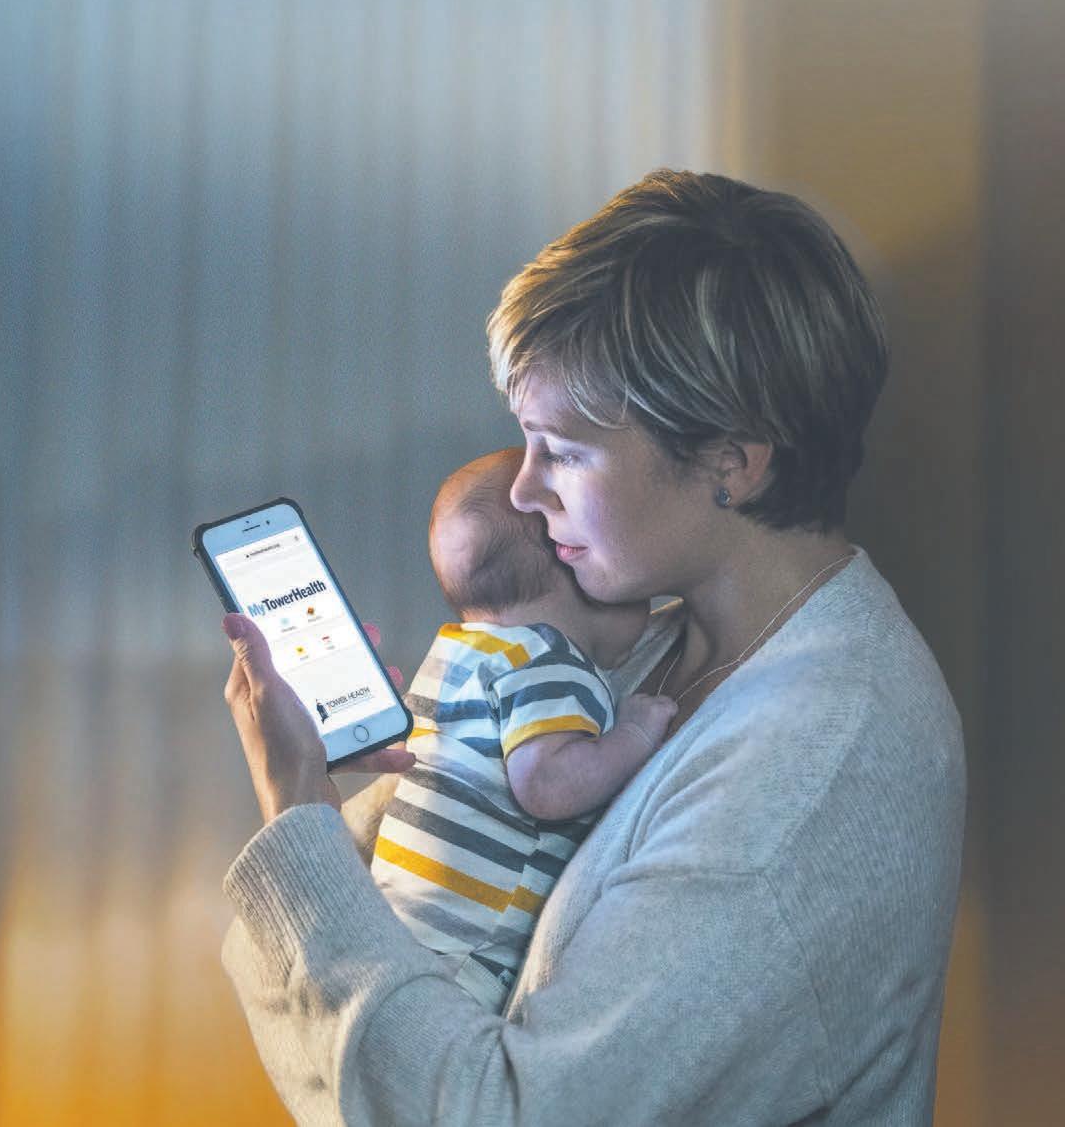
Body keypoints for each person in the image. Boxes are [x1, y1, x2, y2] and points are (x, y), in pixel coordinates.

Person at [216, 169, 965, 1125]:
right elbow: (286, 958)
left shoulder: (815, 769)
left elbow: (473, 1102)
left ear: (730, 462)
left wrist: (295, 817)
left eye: (563, 451)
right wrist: (399, 790)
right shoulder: (646, 647)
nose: (522, 492)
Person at [371, 447, 674, 1008]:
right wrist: (632, 736)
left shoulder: (455, 655)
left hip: (397, 929)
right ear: (572, 564)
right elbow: (547, 785)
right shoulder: (549, 660)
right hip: (469, 954)